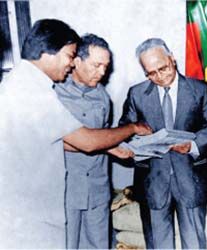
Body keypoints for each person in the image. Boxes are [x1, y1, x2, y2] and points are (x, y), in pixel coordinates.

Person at [0, 19, 151, 249]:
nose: (70, 64)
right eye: (70, 56)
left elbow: (78, 138)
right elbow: (85, 141)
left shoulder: (28, 84)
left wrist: (109, 145)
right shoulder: (35, 92)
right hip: (46, 197)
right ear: (51, 53)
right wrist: (131, 128)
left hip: (91, 188)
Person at [119, 38, 207, 249]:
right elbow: (124, 131)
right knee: (158, 244)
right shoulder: (137, 94)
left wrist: (193, 146)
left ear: (172, 59)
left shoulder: (200, 89)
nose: (159, 77)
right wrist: (138, 140)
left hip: (190, 178)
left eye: (163, 68)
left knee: (194, 242)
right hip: (152, 181)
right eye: (151, 73)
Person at [55, 33, 130, 249]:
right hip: (68, 186)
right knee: (66, 243)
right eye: (96, 65)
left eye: (105, 66)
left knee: (98, 244)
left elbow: (101, 135)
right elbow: (49, 141)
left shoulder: (102, 97)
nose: (102, 72)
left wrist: (112, 147)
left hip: (97, 185)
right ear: (77, 62)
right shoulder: (56, 93)